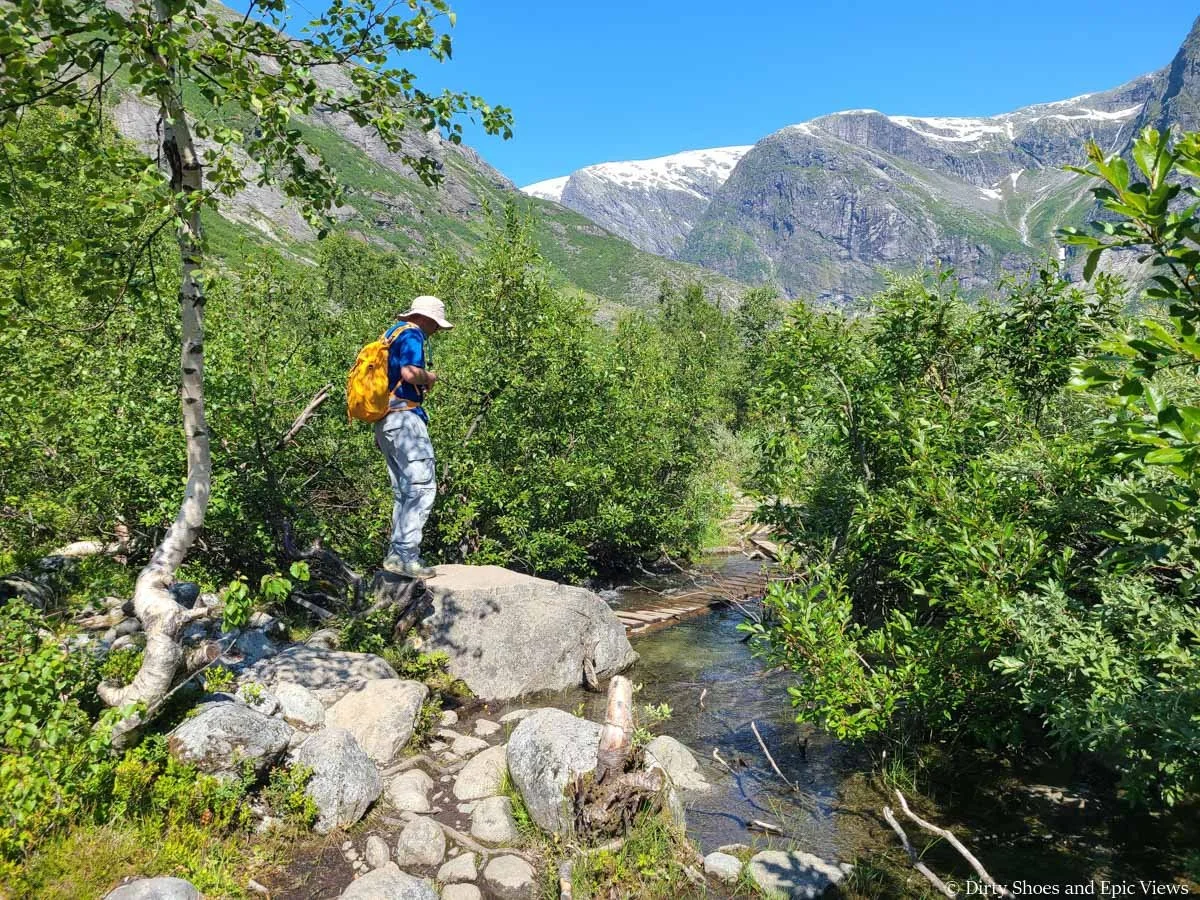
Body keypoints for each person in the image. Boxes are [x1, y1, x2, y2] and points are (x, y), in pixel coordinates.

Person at [376, 295, 452, 577]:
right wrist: (429, 378)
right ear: (427, 319)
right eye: (435, 325)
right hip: (406, 419)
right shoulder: (412, 334)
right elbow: (409, 373)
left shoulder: (390, 334)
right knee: (421, 487)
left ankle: (396, 558)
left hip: (386, 420)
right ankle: (407, 557)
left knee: (403, 491)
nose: (435, 331)